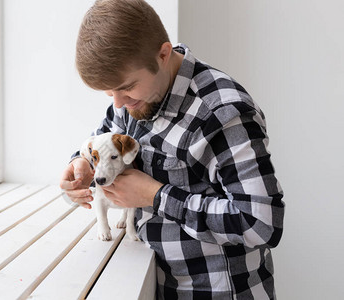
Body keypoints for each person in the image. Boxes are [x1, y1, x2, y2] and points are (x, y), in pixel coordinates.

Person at [59, 0, 285, 299]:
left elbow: (261, 223)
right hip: (158, 280)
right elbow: (103, 135)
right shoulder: (133, 101)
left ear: (164, 54)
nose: (117, 103)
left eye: (125, 88)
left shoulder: (222, 112)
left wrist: (154, 196)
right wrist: (80, 164)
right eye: (109, 92)